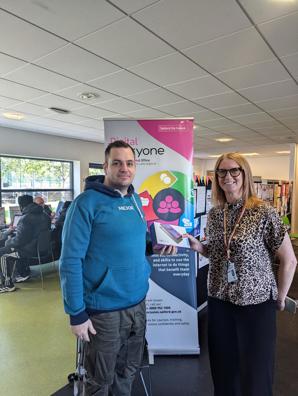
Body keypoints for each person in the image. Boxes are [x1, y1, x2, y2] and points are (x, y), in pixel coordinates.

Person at [59, 140, 175, 396]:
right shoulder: (85, 204)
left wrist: (153, 247)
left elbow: (135, 240)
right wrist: (76, 313)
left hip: (137, 304)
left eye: (130, 163)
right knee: (100, 379)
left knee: (128, 370)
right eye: (117, 163)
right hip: (104, 311)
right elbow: (70, 261)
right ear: (106, 166)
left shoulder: (134, 199)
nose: (125, 168)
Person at [187, 152, 297, 396]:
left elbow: (289, 260)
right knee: (224, 372)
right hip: (219, 302)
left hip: (255, 305)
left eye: (234, 170)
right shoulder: (216, 215)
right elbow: (219, 254)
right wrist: (200, 248)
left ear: (244, 174)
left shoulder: (263, 212)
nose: (228, 176)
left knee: (256, 374)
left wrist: (279, 298)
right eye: (222, 171)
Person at [0, 195, 51, 293]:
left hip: (30, 250)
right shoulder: (45, 215)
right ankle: (23, 273)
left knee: (3, 253)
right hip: (42, 249)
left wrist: (8, 242)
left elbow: (19, 241)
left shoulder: (25, 219)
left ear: (21, 206)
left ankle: (8, 285)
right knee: (12, 248)